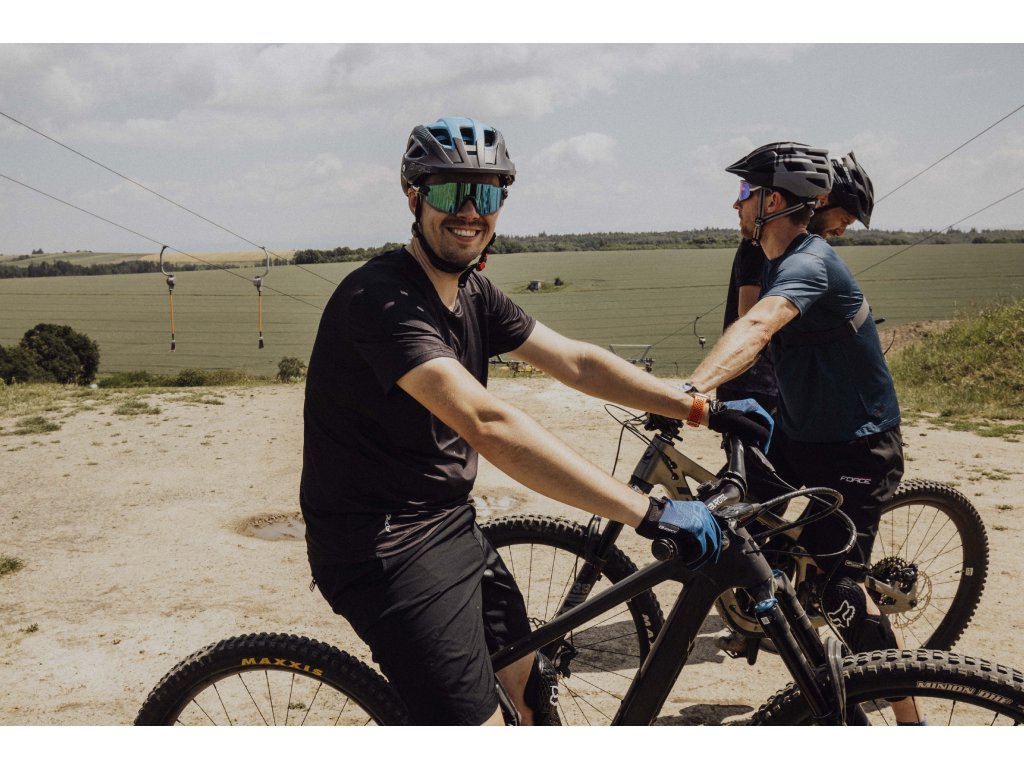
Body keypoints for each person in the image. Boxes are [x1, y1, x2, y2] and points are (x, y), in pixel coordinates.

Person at [299, 116, 772, 726]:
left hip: (448, 522)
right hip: (381, 547)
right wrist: (649, 513)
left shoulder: (471, 292)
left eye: (486, 193)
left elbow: (576, 362)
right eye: (449, 191)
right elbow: (488, 423)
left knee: (527, 693)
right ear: (414, 198)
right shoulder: (382, 299)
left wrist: (698, 406)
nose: (469, 211)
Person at [688, 143, 923, 723]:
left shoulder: (809, 262)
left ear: (771, 202)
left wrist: (690, 391)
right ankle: (814, 685)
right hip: (800, 437)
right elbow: (750, 330)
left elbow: (758, 325)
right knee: (746, 535)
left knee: (841, 593)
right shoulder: (768, 258)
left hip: (858, 447)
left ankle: (911, 726)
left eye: (744, 192)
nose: (735, 203)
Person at [716, 151, 875, 413]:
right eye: (844, 220)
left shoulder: (800, 249)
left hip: (777, 382)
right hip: (756, 385)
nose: (841, 231)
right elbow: (749, 314)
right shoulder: (764, 242)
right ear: (822, 201)